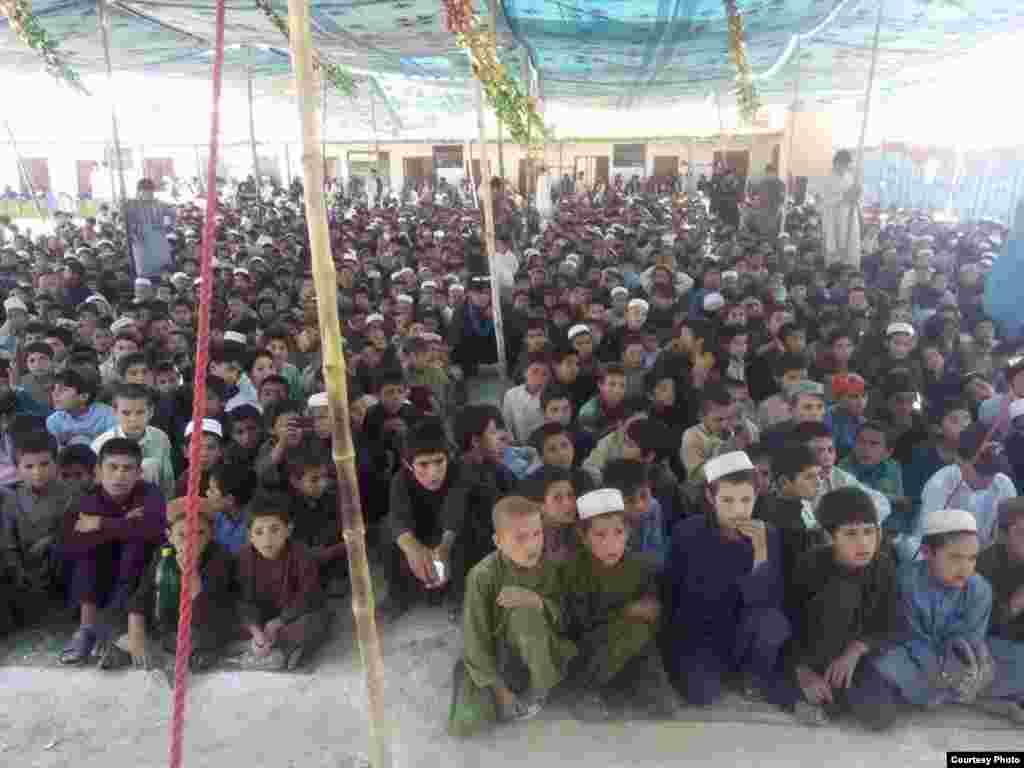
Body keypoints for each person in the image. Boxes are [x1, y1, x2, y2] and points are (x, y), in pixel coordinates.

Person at [865, 507, 1024, 727]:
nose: (965, 567)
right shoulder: (906, 582)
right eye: (955, 557)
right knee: (886, 665)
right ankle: (974, 697)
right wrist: (942, 671)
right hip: (916, 658)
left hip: (956, 659)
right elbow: (909, 638)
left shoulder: (979, 588)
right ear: (927, 552)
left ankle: (962, 695)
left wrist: (974, 663)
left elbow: (972, 639)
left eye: (972, 559)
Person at [662, 451, 792, 708]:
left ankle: (750, 674)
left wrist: (760, 553)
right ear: (711, 497)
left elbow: (768, 599)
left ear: (757, 496)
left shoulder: (767, 534)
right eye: (728, 500)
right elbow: (676, 594)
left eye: (746, 500)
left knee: (772, 622)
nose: (738, 510)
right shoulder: (688, 532)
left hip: (744, 628)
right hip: (700, 632)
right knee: (701, 694)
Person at [787, 487, 903, 728]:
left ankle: (832, 692)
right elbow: (791, 622)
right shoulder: (810, 564)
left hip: (855, 657)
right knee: (843, 592)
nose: (863, 543)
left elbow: (890, 623)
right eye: (851, 534)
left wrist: (856, 650)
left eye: (869, 532)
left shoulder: (884, 566)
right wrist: (802, 670)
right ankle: (806, 689)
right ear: (831, 537)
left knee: (881, 716)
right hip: (813, 653)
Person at [458, 496, 577, 727]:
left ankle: (540, 687)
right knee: (469, 720)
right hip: (501, 658)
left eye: (537, 534)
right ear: (498, 541)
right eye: (520, 538)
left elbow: (567, 620)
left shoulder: (550, 568)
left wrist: (537, 601)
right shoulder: (482, 576)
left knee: (526, 614)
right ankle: (511, 686)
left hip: (542, 653)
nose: (532, 545)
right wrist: (500, 691)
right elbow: (475, 639)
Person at [561, 488, 678, 721]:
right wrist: (627, 613)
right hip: (589, 652)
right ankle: (585, 692)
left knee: (662, 703)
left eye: (618, 533)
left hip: (632, 650)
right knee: (633, 629)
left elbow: (652, 616)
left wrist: (650, 614)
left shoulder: (640, 568)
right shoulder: (573, 570)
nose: (611, 543)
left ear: (628, 533)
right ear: (583, 537)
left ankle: (624, 688)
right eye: (600, 535)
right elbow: (577, 625)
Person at [58, 438, 167, 665]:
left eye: (127, 468)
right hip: (99, 575)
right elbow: (74, 543)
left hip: (138, 574)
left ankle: (113, 628)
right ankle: (86, 628)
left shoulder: (150, 494)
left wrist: (101, 523)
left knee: (135, 547)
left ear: (139, 473)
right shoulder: (88, 498)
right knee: (89, 552)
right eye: (112, 467)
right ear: (98, 470)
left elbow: (154, 531)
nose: (119, 475)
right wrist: (125, 524)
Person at [99, 497, 236, 672]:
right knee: (121, 623)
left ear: (211, 534)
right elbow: (142, 596)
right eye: (182, 535)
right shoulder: (163, 554)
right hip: (166, 624)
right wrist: (136, 634)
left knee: (206, 638)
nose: (191, 542)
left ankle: (191, 654)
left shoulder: (219, 557)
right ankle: (132, 649)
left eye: (200, 533)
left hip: (201, 624)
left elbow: (209, 606)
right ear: (169, 535)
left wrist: (191, 573)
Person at [236, 491, 331, 671]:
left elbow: (309, 595)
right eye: (259, 532)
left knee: (315, 621)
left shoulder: (301, 554)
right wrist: (256, 630)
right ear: (249, 535)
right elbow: (242, 600)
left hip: (292, 617)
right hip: (261, 618)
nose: (267, 539)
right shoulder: (243, 558)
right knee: (221, 617)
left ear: (288, 529)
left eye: (274, 529)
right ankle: (266, 645)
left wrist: (279, 622)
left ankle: (285, 649)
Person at [0, 430, 77, 625]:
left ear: (56, 465)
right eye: (29, 466)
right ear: (17, 469)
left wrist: (50, 540)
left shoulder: (70, 494)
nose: (37, 472)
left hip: (59, 567)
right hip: (25, 569)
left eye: (44, 464)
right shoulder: (12, 500)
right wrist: (17, 570)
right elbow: (8, 544)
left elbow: (75, 530)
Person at [93, 383, 176, 497]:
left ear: (151, 412)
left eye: (140, 412)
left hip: (153, 504)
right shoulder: (100, 444)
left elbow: (167, 480)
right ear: (115, 413)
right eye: (126, 413)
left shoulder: (161, 438)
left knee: (150, 466)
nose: (133, 419)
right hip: (111, 504)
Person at [46, 369, 116, 448]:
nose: (55, 394)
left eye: (63, 390)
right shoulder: (54, 421)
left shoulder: (108, 415)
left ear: (84, 396)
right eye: (53, 389)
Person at [819, 150, 861, 268]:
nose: (844, 168)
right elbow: (824, 200)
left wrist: (856, 194)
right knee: (834, 248)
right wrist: (843, 197)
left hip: (849, 216)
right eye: (842, 164)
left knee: (851, 247)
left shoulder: (850, 177)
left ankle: (850, 268)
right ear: (836, 163)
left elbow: (855, 197)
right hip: (834, 217)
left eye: (847, 165)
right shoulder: (827, 178)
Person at [206, 460, 256, 555]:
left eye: (212, 491)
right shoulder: (218, 516)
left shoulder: (252, 529)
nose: (207, 493)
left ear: (229, 500)